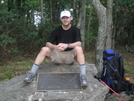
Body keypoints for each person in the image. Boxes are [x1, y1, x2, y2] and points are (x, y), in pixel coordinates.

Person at [24, 10, 88, 88]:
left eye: (67, 17)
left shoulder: (75, 30)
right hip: (57, 55)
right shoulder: (56, 30)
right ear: (60, 19)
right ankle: (31, 74)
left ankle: (83, 76)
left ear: (70, 18)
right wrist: (55, 47)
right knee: (44, 49)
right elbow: (48, 43)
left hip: (70, 56)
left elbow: (79, 43)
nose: (65, 19)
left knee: (79, 49)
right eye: (63, 18)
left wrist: (66, 45)